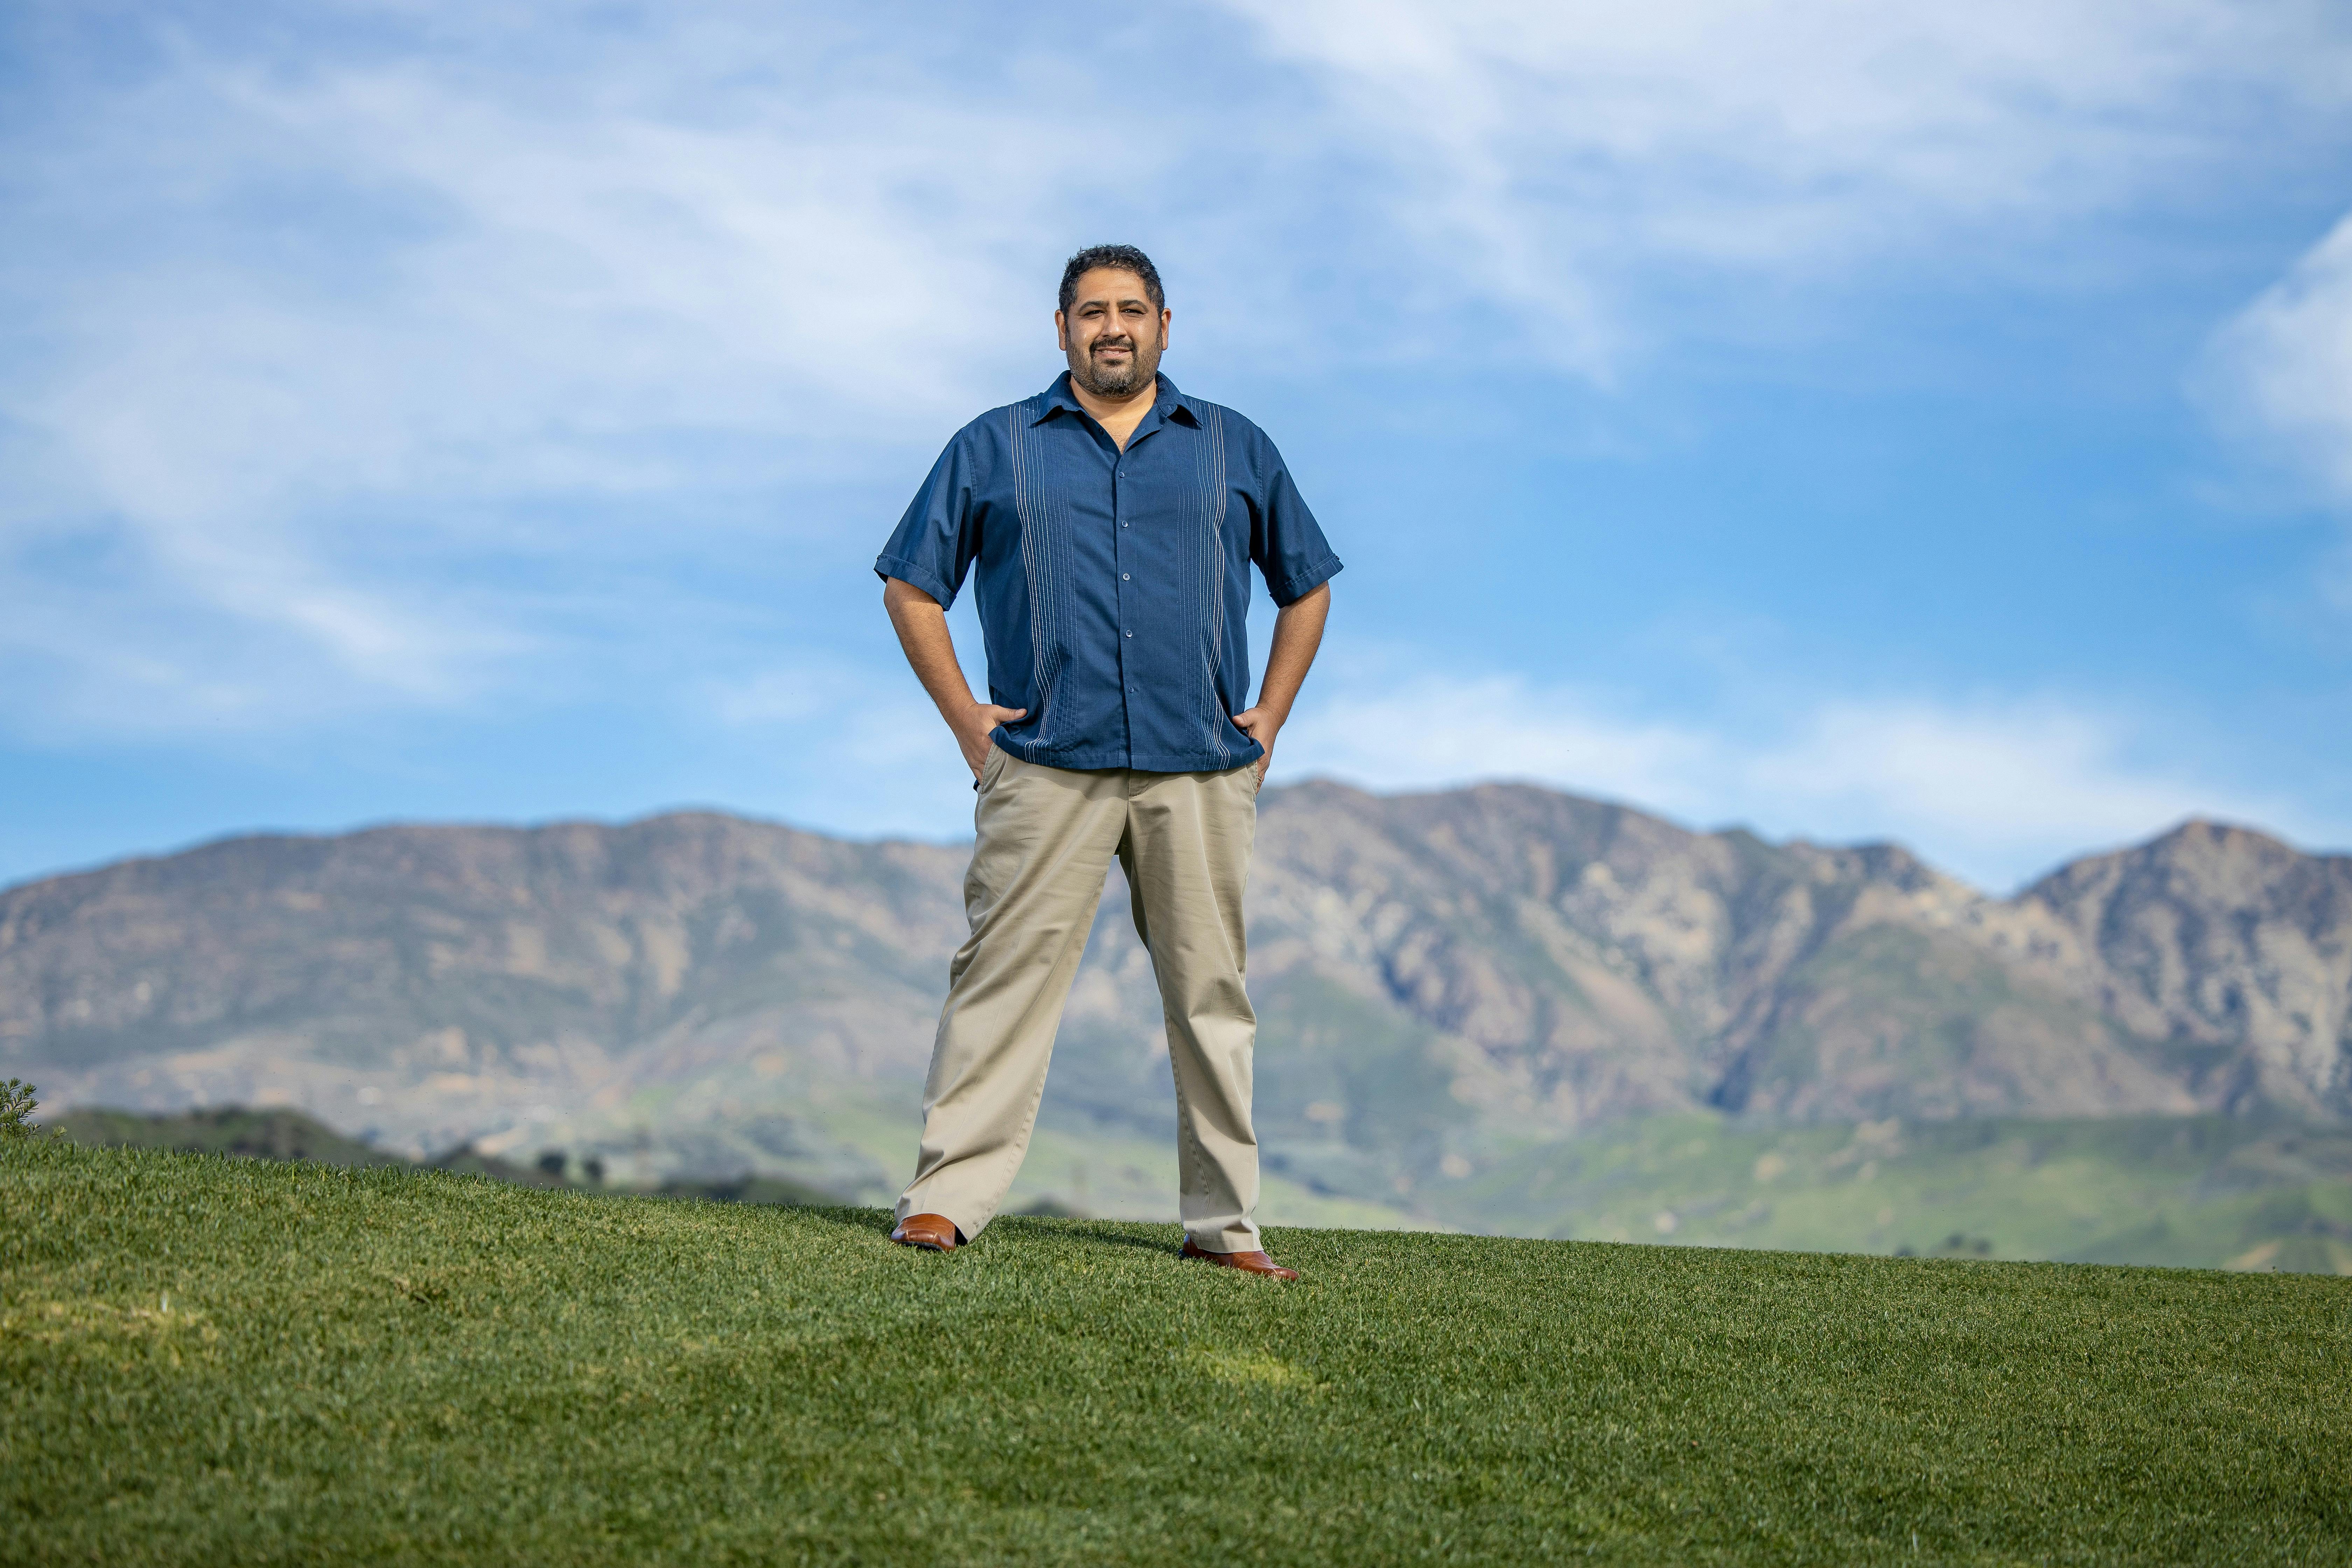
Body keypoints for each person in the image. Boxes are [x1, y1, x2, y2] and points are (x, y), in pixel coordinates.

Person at [873, 243, 1339, 1280]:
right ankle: (944, 1202)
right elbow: (912, 586)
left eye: (1132, 310)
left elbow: (1306, 585)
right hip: (1046, 763)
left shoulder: (1234, 447)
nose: (1112, 328)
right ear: (1062, 330)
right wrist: (967, 723)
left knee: (1211, 997)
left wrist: (1269, 719)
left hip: (1199, 768)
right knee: (1000, 979)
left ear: (1165, 326)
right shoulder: (993, 446)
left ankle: (1225, 1228)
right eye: (1092, 312)